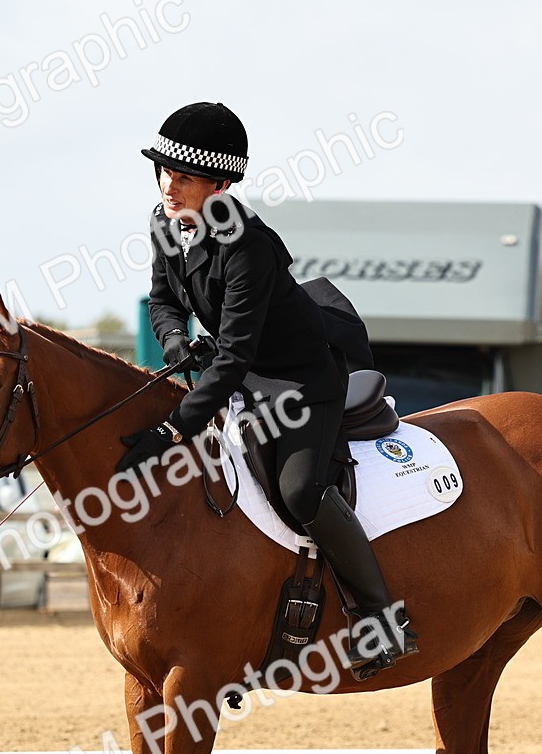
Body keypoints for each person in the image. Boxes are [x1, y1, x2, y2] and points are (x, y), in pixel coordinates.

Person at [115, 101, 418, 675]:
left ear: (221, 185)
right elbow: (163, 298)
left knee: (300, 491)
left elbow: (234, 357)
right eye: (163, 172)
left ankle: (382, 622)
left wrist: (171, 429)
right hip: (243, 372)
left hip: (300, 380)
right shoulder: (165, 221)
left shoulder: (249, 246)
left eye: (183, 177)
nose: (168, 186)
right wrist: (176, 343)